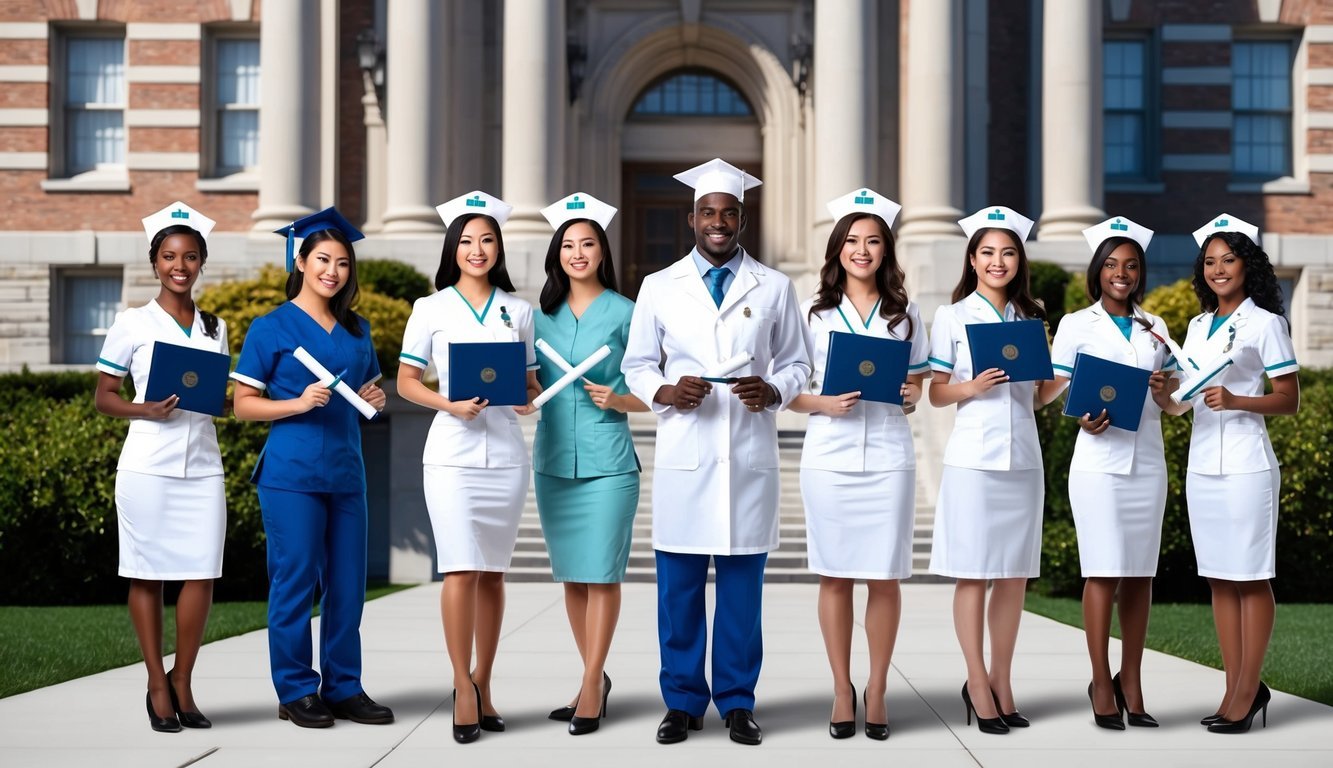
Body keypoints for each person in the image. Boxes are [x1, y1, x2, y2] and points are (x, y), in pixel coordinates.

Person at [622, 158, 812, 746]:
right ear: (692, 218)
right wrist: (666, 392)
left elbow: (800, 363)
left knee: (740, 594)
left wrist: (775, 390)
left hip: (747, 454)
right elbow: (635, 365)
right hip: (686, 450)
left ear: (742, 220)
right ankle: (681, 702)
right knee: (678, 592)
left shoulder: (776, 287)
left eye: (728, 213)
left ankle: (736, 702)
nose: (718, 222)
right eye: (709, 212)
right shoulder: (659, 287)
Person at [231, 207, 393, 730]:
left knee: (348, 586)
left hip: (346, 473)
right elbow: (242, 404)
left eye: (343, 262)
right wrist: (296, 404)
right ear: (300, 261)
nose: (333, 271)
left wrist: (375, 396)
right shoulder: (270, 328)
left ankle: (344, 687)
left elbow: (367, 391)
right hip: (291, 476)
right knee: (295, 582)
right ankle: (297, 689)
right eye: (322, 259)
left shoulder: (357, 329)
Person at [396, 191, 540, 744]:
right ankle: (461, 685)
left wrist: (529, 398)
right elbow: (409, 382)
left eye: (486, 240)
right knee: (460, 567)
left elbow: (527, 384)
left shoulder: (519, 310)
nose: (476, 249)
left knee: (494, 574)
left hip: (504, 453)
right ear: (451, 249)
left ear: (499, 247)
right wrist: (448, 403)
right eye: (466, 241)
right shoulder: (429, 310)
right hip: (452, 453)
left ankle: (485, 680)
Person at [790, 190, 928, 740]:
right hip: (829, 455)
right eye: (852, 240)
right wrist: (823, 403)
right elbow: (787, 389)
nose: (862, 250)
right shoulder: (811, 312)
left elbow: (917, 383)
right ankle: (842, 688)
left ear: (886, 250)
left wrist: (909, 393)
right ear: (836, 249)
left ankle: (878, 687)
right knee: (835, 574)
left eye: (873, 241)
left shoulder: (906, 313)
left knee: (885, 576)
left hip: (890, 455)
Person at [1035, 216, 1179, 730]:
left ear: (1141, 273)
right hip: (1097, 463)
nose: (1122, 273)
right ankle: (1100, 680)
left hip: (1147, 461)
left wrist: (1167, 393)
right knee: (1102, 571)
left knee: (1141, 575)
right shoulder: (1076, 324)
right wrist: (1082, 416)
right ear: (1098, 271)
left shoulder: (1156, 327)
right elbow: (1061, 390)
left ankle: (1132, 681)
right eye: (1113, 265)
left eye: (1132, 266)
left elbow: (1176, 402)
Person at [94, 202, 228, 733]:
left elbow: (216, 393)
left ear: (201, 263)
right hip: (148, 465)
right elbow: (104, 396)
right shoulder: (132, 323)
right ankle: (156, 682)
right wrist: (142, 408)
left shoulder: (216, 327)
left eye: (190, 256)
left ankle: (184, 679)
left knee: (201, 573)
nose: (180, 265)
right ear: (155, 263)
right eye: (170, 256)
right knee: (147, 573)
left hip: (203, 465)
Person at [1163, 214, 1299, 734]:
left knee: (1251, 576)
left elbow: (1289, 400)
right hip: (1203, 466)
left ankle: (1248, 689)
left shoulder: (1267, 323)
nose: (1218, 269)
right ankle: (1233, 686)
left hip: (1246, 466)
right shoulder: (1197, 327)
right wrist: (1163, 395)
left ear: (1248, 265)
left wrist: (1238, 398)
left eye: (1229, 259)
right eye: (1210, 261)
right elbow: (1183, 404)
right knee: (1219, 577)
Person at [926, 205, 1045, 735]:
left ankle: (1003, 679)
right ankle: (976, 683)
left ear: (1020, 261)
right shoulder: (953, 317)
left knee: (1014, 577)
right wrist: (970, 388)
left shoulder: (1032, 318)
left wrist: (1066, 375)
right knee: (974, 573)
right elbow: (935, 392)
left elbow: (1036, 398)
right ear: (972, 260)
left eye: (1009, 253)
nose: (999, 262)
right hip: (973, 461)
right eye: (988, 252)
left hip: (1023, 460)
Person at [532, 192, 646, 735]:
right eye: (569, 245)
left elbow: (655, 389)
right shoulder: (538, 316)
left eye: (589, 244)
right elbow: (528, 380)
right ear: (557, 254)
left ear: (603, 251)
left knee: (601, 575)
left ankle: (591, 687)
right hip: (554, 460)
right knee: (572, 578)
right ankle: (591, 678)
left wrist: (618, 399)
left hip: (608, 461)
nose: (578, 254)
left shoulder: (629, 313)